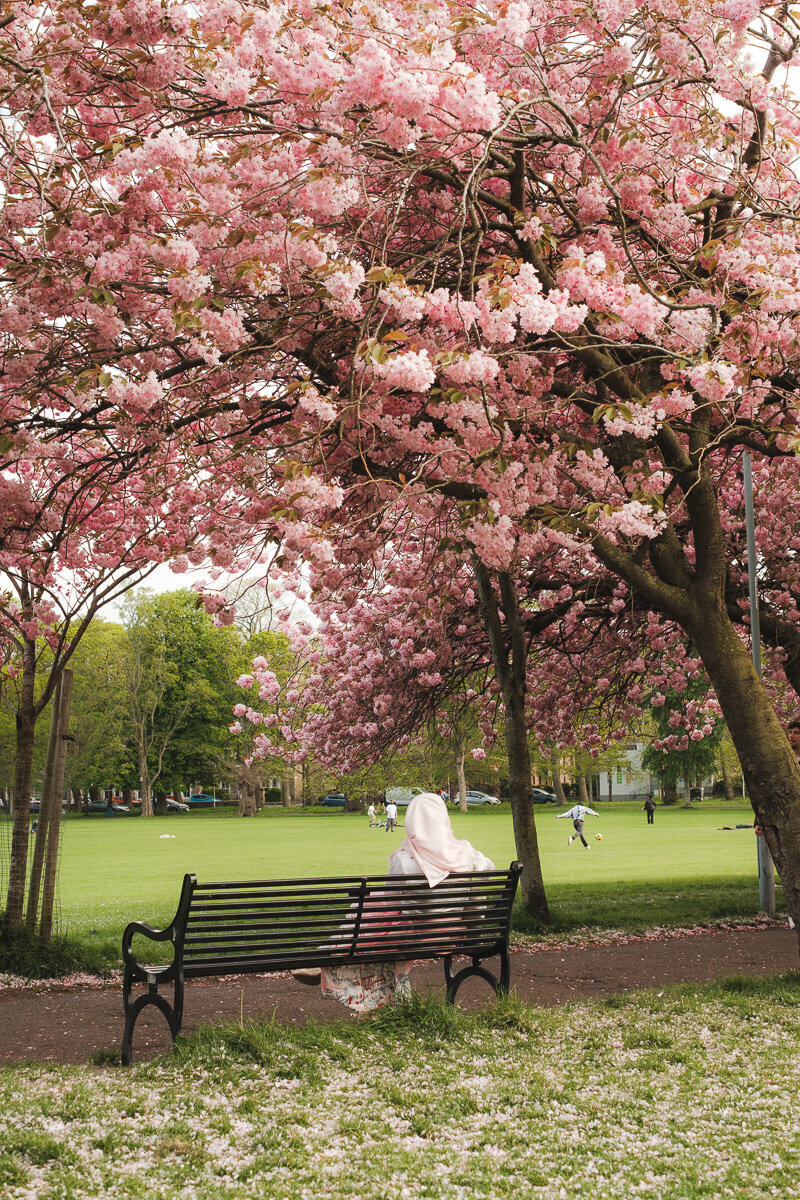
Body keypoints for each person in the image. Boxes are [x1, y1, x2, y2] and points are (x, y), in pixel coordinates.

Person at [293, 792, 494, 1012]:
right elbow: (487, 873)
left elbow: (392, 903)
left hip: (413, 939)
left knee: (369, 909)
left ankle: (329, 956)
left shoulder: (404, 859)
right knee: (377, 911)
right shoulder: (466, 852)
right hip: (451, 937)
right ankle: (329, 957)